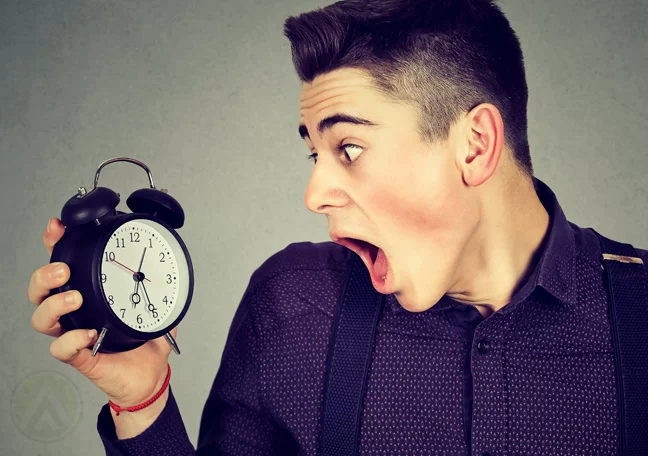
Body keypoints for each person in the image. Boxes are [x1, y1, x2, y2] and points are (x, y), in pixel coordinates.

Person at [27, 0, 647, 454]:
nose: (314, 193)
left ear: (475, 145)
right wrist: (143, 399)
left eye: (348, 148)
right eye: (313, 155)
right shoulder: (292, 304)